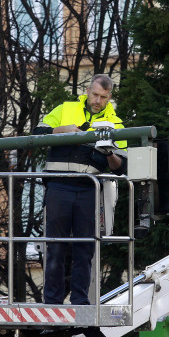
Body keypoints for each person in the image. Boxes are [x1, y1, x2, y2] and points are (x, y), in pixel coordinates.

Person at [32, 74, 127, 305]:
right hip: (58, 186)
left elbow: (121, 167)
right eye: (95, 94)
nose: (98, 101)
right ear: (87, 90)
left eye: (103, 97)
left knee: (85, 248)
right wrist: (62, 130)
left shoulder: (116, 124)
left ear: (109, 97)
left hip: (88, 190)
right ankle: (52, 301)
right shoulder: (65, 108)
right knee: (55, 246)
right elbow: (36, 134)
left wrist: (109, 154)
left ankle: (80, 301)